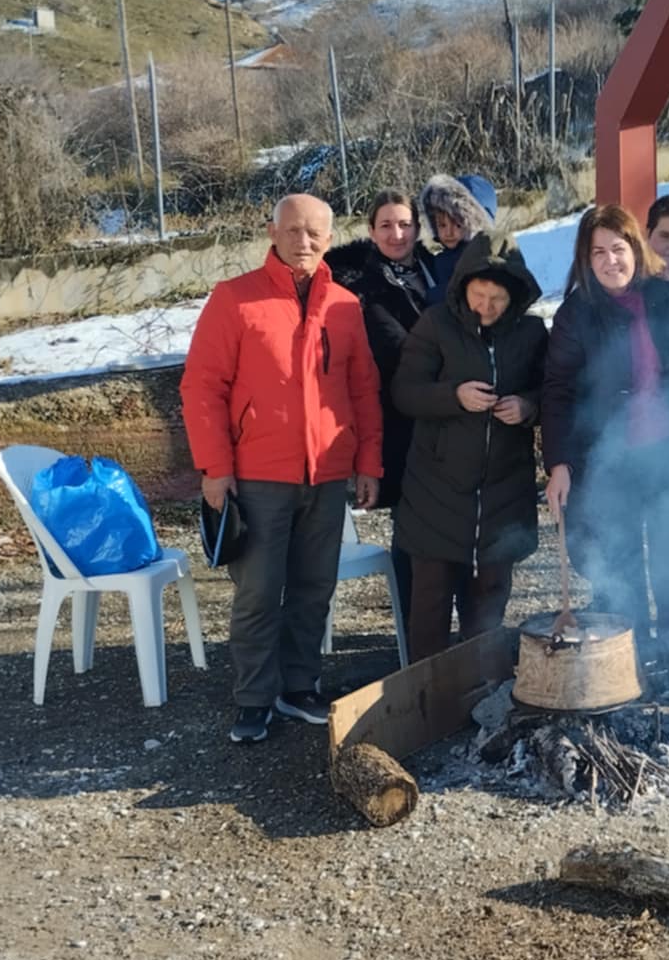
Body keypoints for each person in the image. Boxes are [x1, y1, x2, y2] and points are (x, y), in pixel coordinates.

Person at [180, 194, 382, 743]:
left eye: (315, 233)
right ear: (272, 232)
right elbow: (202, 387)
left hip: (328, 474)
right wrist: (215, 467)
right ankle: (253, 698)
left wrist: (367, 462)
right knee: (259, 593)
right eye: (293, 230)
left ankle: (300, 687)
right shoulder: (235, 298)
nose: (303, 242)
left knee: (314, 589)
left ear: (330, 239)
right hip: (258, 475)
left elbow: (363, 390)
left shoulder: (344, 305)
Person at [541, 204, 669, 702]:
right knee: (619, 565)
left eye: (618, 248)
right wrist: (559, 463)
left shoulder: (666, 294)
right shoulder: (576, 313)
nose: (611, 261)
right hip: (608, 458)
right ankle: (626, 662)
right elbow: (557, 390)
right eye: (599, 253)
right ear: (585, 260)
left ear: (636, 248)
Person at [390, 230, 547, 662]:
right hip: (436, 489)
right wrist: (453, 396)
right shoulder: (435, 325)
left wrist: (527, 406)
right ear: (463, 287)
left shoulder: (532, 332)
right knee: (431, 599)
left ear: (515, 296)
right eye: (479, 296)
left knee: (490, 597)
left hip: (504, 489)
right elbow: (405, 392)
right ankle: (426, 688)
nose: (487, 307)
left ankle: (481, 683)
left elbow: (549, 390)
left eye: (497, 299)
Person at [328, 188, 439, 627]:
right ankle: (416, 636)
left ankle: (451, 634)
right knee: (411, 532)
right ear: (371, 230)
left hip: (448, 420)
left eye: (405, 224)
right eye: (387, 225)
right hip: (398, 424)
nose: (397, 234)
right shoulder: (356, 287)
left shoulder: (438, 271)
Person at [419, 173, 497, 302]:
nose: (449, 232)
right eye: (442, 225)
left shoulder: (482, 258)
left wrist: (432, 297)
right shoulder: (440, 258)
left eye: (458, 225)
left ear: (476, 224)